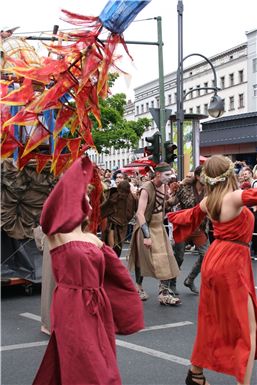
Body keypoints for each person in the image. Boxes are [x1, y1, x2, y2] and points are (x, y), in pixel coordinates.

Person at [32, 156, 144, 385]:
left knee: (97, 359)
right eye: (84, 201)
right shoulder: (57, 235)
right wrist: (77, 175)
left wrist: (127, 311)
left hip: (97, 306)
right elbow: (49, 213)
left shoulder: (92, 239)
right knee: (86, 362)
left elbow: (118, 278)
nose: (91, 206)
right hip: (71, 306)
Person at [167, 155, 257, 385]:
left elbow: (188, 217)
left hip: (215, 257)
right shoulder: (235, 197)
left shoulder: (209, 201)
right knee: (248, 328)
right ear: (229, 173)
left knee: (211, 319)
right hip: (232, 261)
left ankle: (196, 373)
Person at [128, 162, 180, 305]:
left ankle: (163, 293)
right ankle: (138, 287)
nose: (170, 177)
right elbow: (140, 213)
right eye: (167, 174)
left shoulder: (164, 186)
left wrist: (177, 195)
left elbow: (163, 206)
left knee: (167, 259)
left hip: (159, 227)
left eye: (171, 174)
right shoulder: (146, 188)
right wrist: (147, 236)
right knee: (142, 260)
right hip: (147, 227)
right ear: (158, 174)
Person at [167, 165, 209, 295]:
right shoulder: (184, 188)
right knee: (178, 257)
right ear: (197, 176)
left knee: (206, 255)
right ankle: (172, 284)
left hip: (199, 228)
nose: (206, 177)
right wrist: (163, 201)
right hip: (184, 226)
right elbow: (173, 201)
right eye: (204, 175)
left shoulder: (210, 190)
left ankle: (190, 279)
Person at [100, 180, 137, 257]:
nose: (122, 195)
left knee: (118, 248)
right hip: (111, 224)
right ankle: (111, 259)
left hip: (123, 225)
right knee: (110, 247)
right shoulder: (112, 195)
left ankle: (114, 260)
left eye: (125, 193)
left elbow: (139, 210)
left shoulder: (133, 198)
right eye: (121, 192)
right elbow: (103, 209)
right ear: (118, 189)